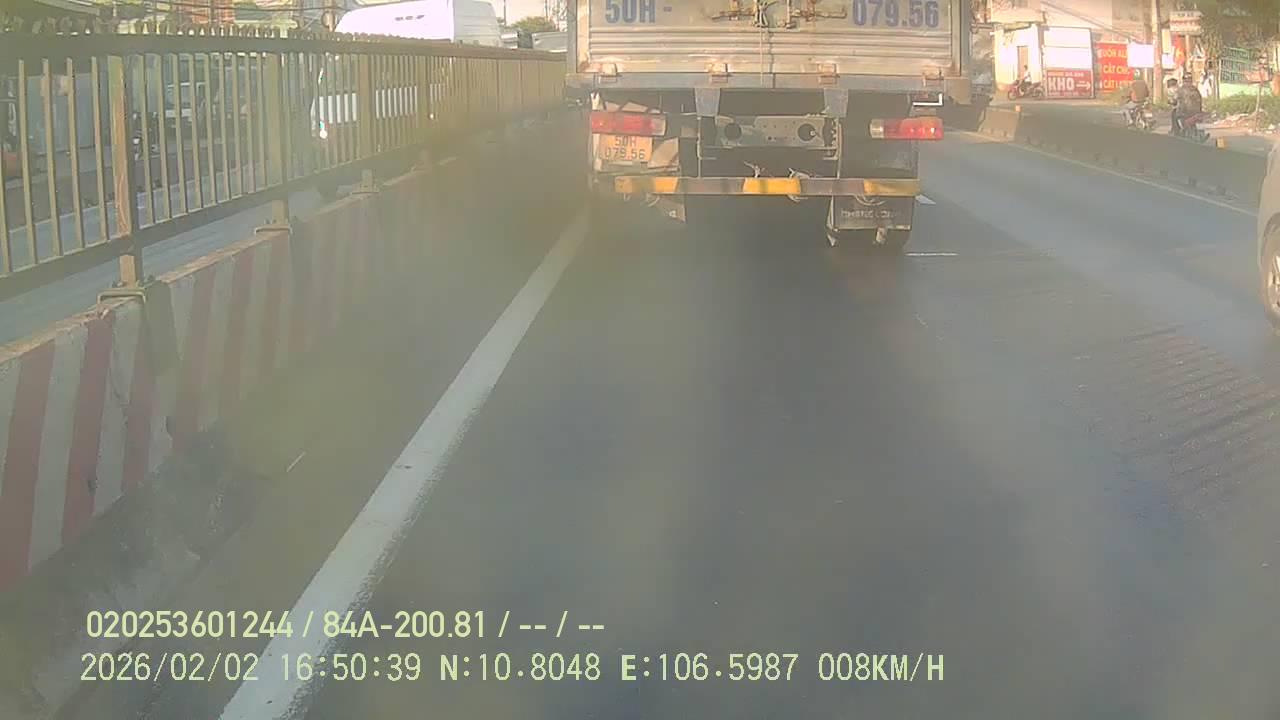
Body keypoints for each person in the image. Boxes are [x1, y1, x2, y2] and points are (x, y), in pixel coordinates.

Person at [1174, 71, 1203, 136]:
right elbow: (1199, 100)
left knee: (1181, 123)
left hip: (1184, 113)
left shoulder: (1181, 90)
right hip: (1193, 113)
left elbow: (1175, 99)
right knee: (1190, 124)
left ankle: (1180, 134)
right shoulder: (1194, 89)